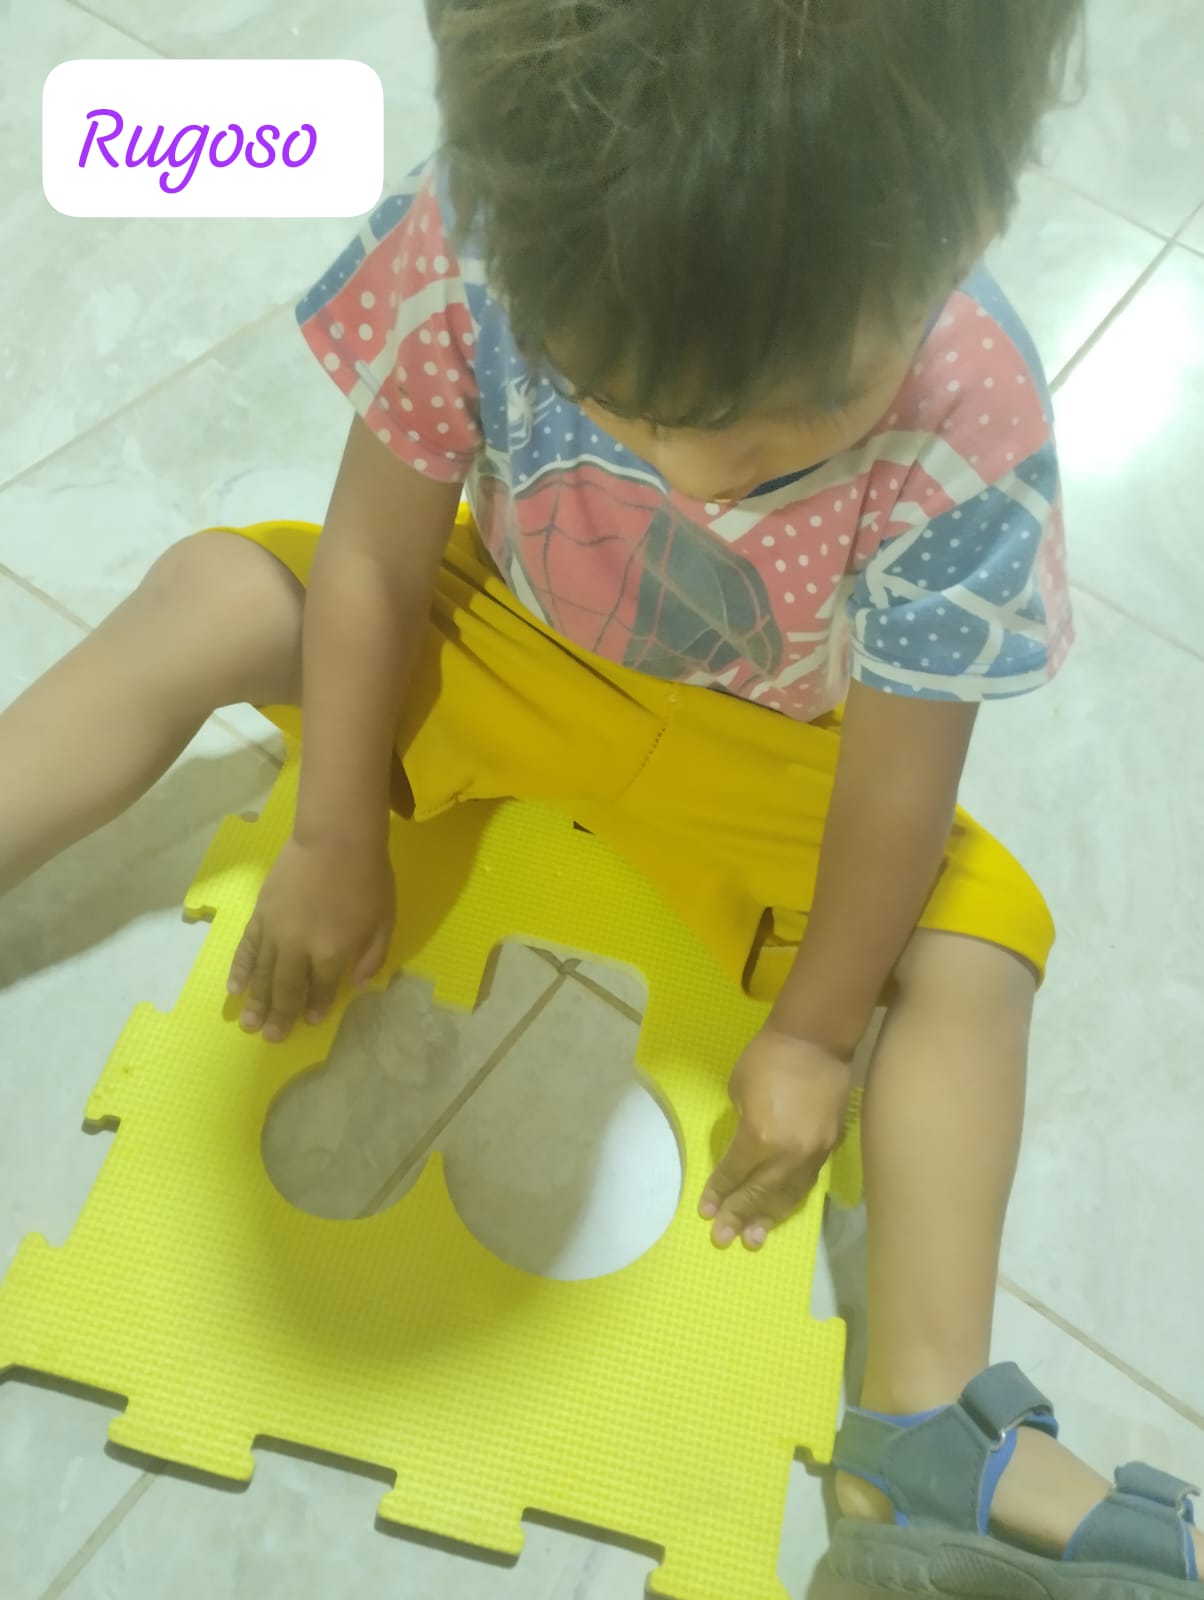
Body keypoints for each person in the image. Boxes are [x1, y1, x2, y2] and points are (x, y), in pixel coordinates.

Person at [2, 1, 1199, 1592]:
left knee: (978, 946)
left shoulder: (972, 414)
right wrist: (334, 826)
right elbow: (372, 560)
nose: (696, 472)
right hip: (491, 640)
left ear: (960, 239)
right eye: (618, 398)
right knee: (218, 589)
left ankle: (925, 1423)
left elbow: (900, 792)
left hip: (766, 748)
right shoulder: (483, 226)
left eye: (781, 421)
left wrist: (813, 1037)